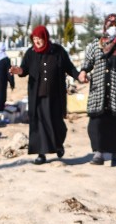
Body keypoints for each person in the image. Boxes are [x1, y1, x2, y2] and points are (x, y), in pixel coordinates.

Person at [10, 26, 79, 164]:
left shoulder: (58, 51)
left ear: (45, 38)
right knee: (39, 124)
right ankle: (41, 154)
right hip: (37, 95)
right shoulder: (30, 53)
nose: (37, 42)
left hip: (56, 95)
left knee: (57, 123)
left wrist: (79, 76)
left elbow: (69, 67)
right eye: (34, 39)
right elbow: (24, 69)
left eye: (39, 39)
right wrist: (18, 70)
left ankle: (58, 145)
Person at [78, 14, 116, 166]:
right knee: (97, 123)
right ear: (105, 26)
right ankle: (98, 154)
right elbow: (88, 61)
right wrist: (84, 71)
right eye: (110, 24)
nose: (113, 27)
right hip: (99, 90)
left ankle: (115, 155)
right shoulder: (96, 44)